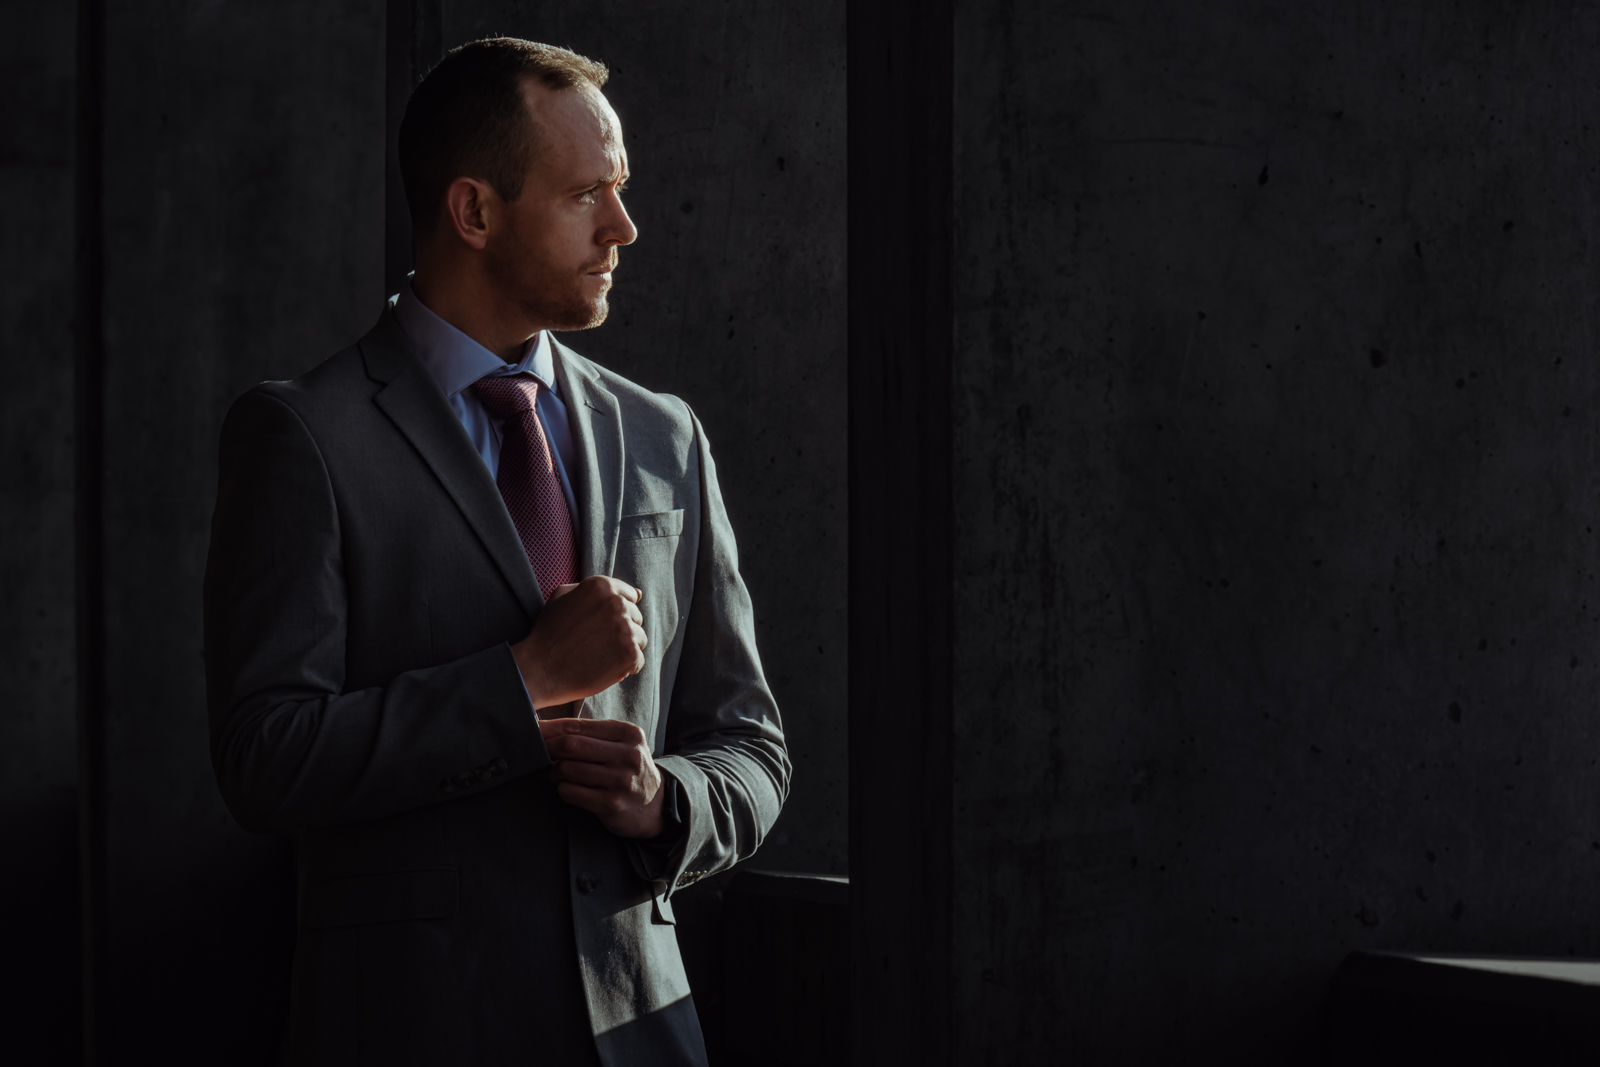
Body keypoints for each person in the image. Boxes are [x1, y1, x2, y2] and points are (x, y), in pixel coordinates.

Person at [203, 37, 788, 1066]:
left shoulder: (665, 434)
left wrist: (666, 802)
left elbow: (752, 745)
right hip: (411, 1026)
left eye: (622, 190)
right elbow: (264, 756)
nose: (624, 226)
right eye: (585, 196)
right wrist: (521, 682)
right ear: (473, 212)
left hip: (642, 1032)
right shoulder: (304, 434)